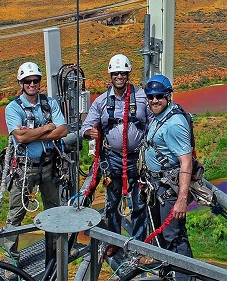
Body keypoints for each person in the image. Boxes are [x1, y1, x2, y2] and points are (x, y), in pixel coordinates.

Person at [80, 54, 153, 256]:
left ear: (128, 74)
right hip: (112, 159)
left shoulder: (141, 97)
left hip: (137, 159)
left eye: (123, 73)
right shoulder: (102, 102)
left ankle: (139, 244)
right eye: (116, 73)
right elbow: (85, 126)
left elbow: (153, 122)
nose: (119, 76)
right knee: (112, 203)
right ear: (111, 75)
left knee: (139, 203)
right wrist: (88, 132)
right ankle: (114, 241)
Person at [1, 61, 68, 274]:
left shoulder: (49, 104)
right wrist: (48, 128)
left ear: (39, 82)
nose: (32, 84)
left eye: (35, 81)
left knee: (54, 209)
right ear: (20, 83)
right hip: (24, 168)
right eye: (27, 81)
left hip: (49, 165)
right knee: (15, 215)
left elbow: (63, 131)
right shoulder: (13, 108)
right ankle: (10, 259)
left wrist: (33, 134)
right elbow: (19, 138)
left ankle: (59, 250)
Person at [142, 74, 194, 280]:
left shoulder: (174, 123)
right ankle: (171, 274)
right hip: (158, 185)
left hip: (169, 189)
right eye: (151, 96)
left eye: (159, 96)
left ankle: (185, 277)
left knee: (174, 237)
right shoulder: (160, 116)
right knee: (164, 235)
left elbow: (186, 162)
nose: (155, 100)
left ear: (168, 96)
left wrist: (181, 200)